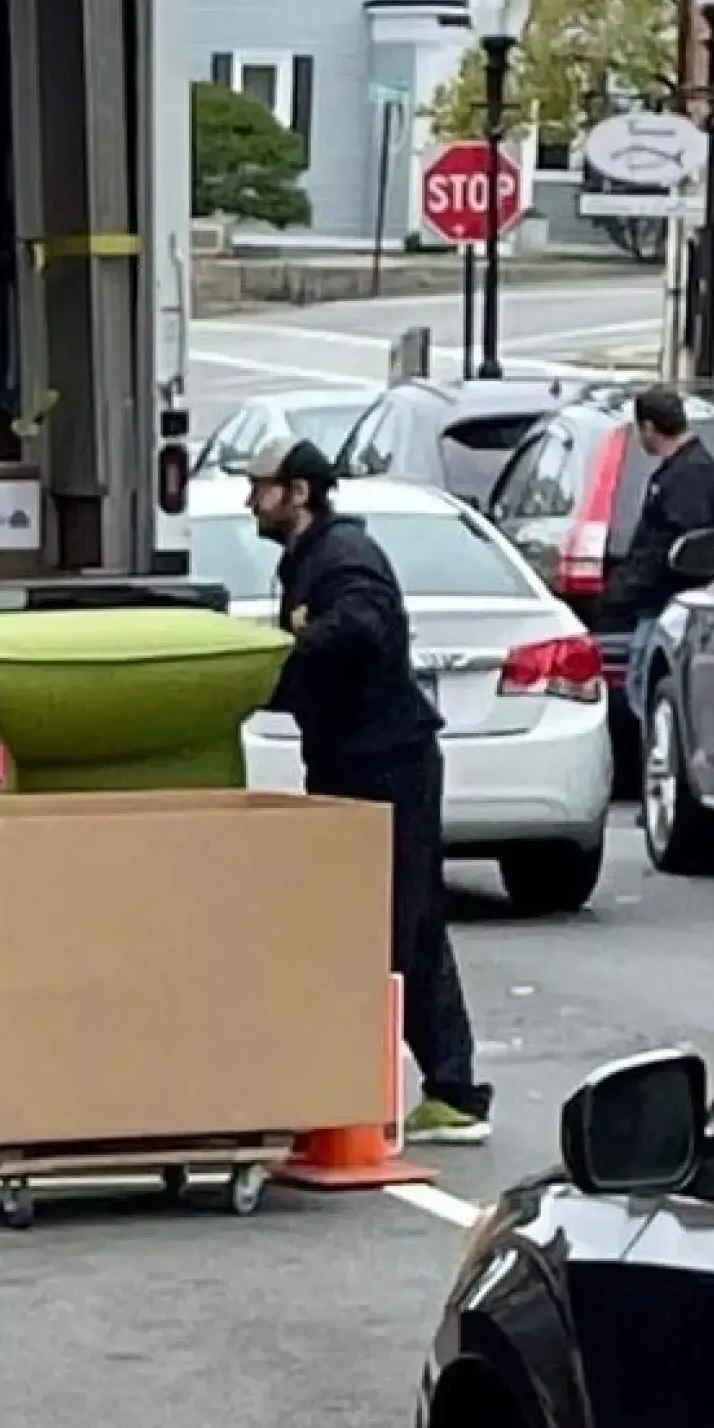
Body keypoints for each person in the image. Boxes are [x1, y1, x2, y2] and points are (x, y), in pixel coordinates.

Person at [245, 435, 488, 1143]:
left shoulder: (344, 559)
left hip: (386, 765)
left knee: (401, 921)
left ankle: (451, 1090)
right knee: (383, 922)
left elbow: (361, 628)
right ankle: (436, 1087)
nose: (251, 501)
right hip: (353, 761)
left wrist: (284, 659)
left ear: (298, 493)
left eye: (261, 487)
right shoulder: (312, 558)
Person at [598, 385, 714, 632]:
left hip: (667, 607)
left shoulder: (689, 476)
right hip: (658, 604)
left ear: (649, 428)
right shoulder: (682, 470)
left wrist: (624, 590)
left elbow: (672, 547)